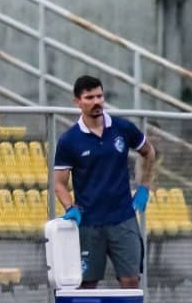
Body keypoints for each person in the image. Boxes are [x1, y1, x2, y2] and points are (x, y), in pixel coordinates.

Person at [52, 75, 157, 289]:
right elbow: (59, 183)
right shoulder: (69, 140)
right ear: (77, 102)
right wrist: (69, 206)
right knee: (86, 285)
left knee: (131, 281)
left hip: (123, 218)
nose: (96, 101)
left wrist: (144, 186)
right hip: (89, 223)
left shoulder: (122, 128)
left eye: (99, 96)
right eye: (89, 97)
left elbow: (149, 152)